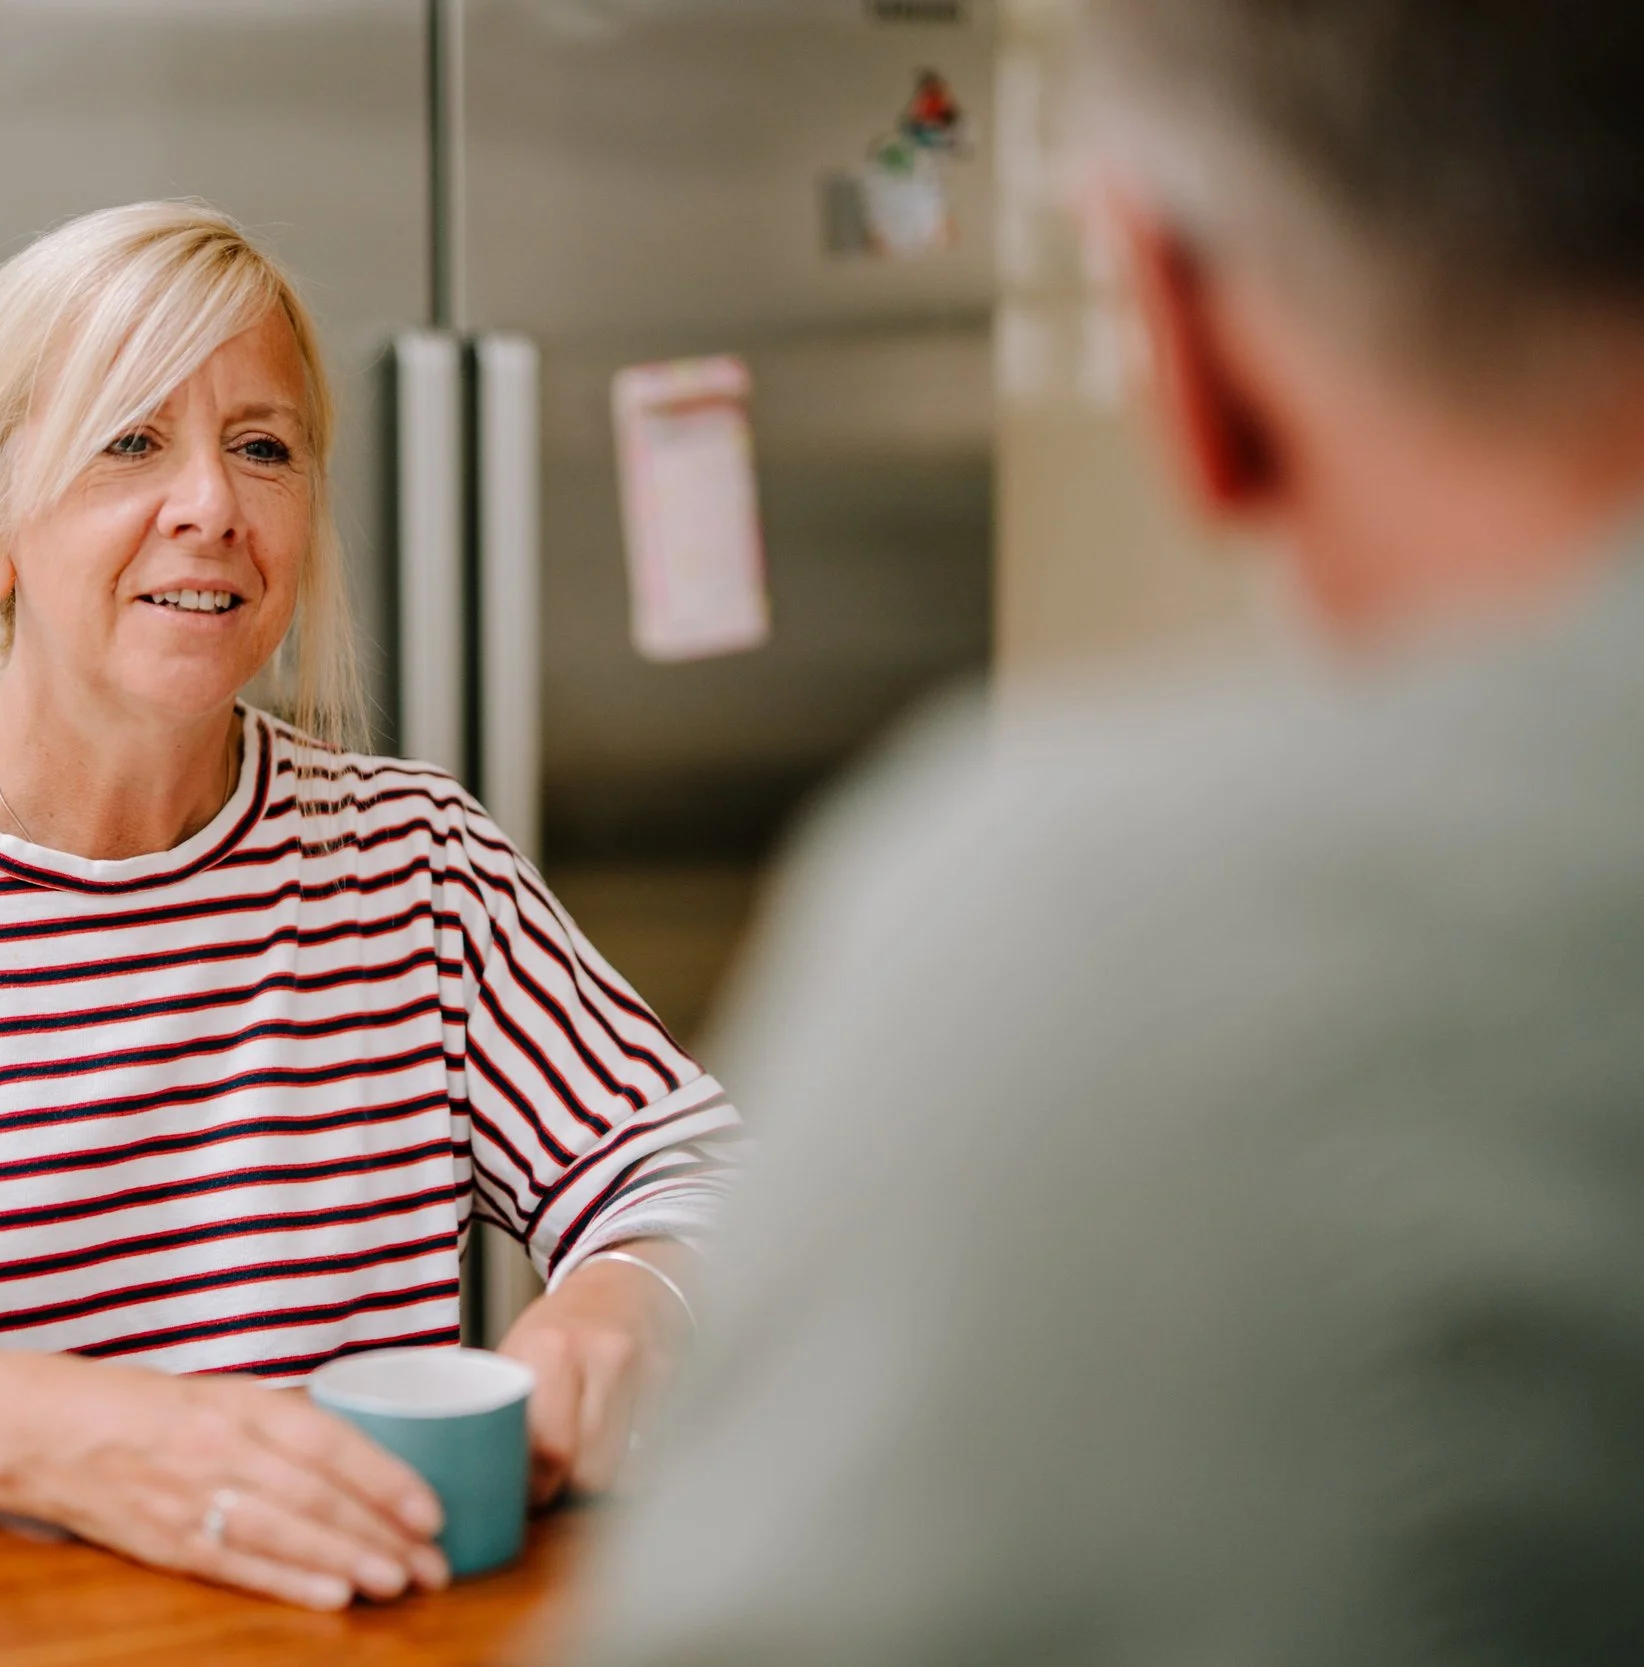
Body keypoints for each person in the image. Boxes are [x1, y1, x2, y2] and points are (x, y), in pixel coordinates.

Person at [582, 1, 1644, 1660]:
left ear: (1186, 348)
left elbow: (669, 1144)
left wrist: (623, 1275)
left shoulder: (1095, 943)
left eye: (262, 442)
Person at [0, 202, 740, 1612]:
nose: (212, 506)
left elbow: (698, 1173)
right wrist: (93, 1440)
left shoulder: (419, 871)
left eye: (263, 447)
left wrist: (618, 1305)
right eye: (129, 441)